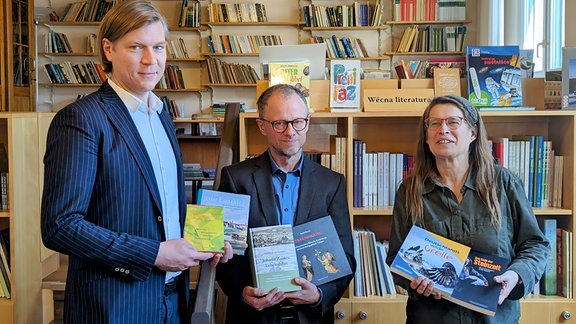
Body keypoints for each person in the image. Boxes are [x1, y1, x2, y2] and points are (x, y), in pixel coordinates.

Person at [40, 2, 232, 323]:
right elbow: (61, 227)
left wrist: (205, 241)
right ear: (108, 50)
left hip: (173, 300)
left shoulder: (161, 115)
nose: (150, 60)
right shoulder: (81, 119)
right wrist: (154, 254)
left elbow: (163, 208)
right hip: (114, 305)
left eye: (158, 47)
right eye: (136, 47)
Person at [386, 95, 550, 323]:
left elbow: (535, 245)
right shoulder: (409, 189)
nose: (443, 129)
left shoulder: (504, 183)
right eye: (434, 123)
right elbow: (396, 256)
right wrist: (414, 282)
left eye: (453, 122)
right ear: (426, 135)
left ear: (472, 133)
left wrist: (516, 275)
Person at [215, 84, 356, 323]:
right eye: (280, 123)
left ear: (307, 123)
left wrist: (321, 294)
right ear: (262, 126)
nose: (290, 131)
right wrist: (241, 291)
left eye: (298, 122)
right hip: (254, 317)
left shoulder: (332, 183)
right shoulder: (236, 179)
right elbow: (224, 252)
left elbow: (345, 257)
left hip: (310, 317)